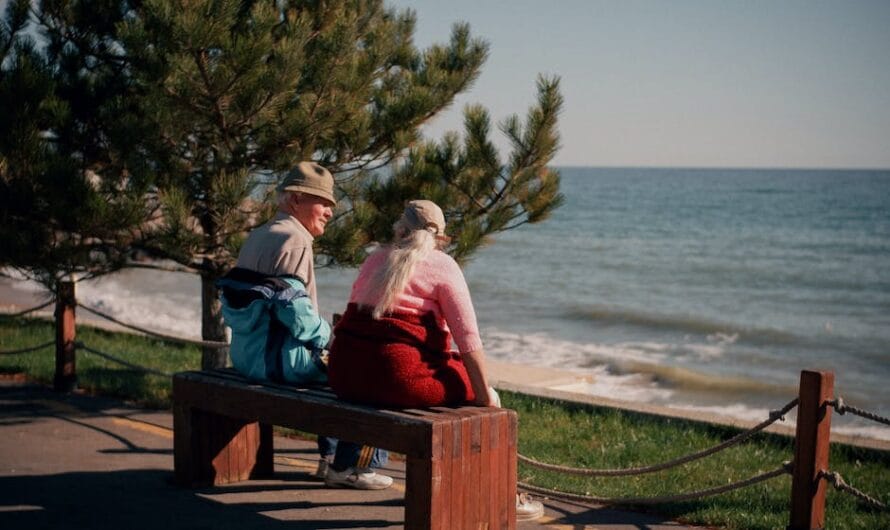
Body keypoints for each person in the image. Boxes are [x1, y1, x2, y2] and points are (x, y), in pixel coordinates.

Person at [328, 199, 544, 521]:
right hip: (395, 377)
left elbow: (355, 320)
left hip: (344, 374)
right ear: (440, 237)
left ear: (400, 228)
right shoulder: (442, 265)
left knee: (432, 375)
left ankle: (345, 463)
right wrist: (486, 396)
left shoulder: (374, 260)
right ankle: (503, 496)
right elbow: (468, 339)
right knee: (484, 399)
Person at [218, 161, 392, 490]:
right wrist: (333, 340)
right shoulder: (296, 240)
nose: (329, 211)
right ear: (296, 199)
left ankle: (328, 459)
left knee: (333, 366)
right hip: (277, 361)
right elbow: (295, 315)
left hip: (245, 354)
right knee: (371, 375)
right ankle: (355, 467)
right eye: (322, 202)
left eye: (331, 205)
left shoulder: (260, 234)